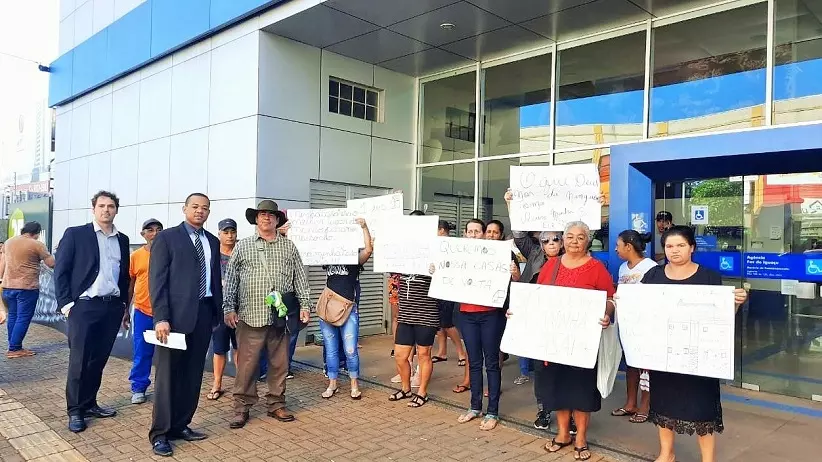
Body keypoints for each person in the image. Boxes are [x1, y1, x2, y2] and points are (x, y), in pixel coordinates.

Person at [639, 226, 747, 462]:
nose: (674, 250)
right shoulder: (652, 276)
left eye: (680, 245)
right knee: (663, 404)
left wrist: (735, 304)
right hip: (664, 354)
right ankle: (667, 454)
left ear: (692, 248)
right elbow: (642, 311)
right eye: (669, 246)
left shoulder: (708, 277)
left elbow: (720, 318)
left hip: (699, 356)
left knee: (702, 408)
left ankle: (708, 459)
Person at [528, 221, 615, 461]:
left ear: (587, 241)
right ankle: (563, 434)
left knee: (581, 389)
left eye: (580, 237)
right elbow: (537, 297)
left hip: (583, 342)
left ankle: (581, 438)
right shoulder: (551, 265)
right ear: (563, 240)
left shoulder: (596, 268)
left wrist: (607, 314)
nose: (574, 241)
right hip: (554, 341)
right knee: (557, 387)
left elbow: (610, 298)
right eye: (569, 236)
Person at [223, 200, 311, 429]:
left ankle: (276, 404)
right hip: (250, 315)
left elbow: (300, 279)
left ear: (277, 220)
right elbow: (231, 280)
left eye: (271, 215)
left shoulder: (289, 247)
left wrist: (305, 305)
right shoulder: (243, 246)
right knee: (247, 366)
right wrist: (228, 308)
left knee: (280, 364)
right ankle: (241, 408)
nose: (266, 218)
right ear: (256, 219)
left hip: (281, 317)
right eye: (262, 214)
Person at [148, 193, 223, 457]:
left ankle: (181, 424)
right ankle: (160, 433)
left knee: (192, 375)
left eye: (205, 208)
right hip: (174, 319)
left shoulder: (212, 241)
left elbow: (214, 279)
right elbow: (157, 281)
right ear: (184, 209)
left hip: (204, 314)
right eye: (195, 206)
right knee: (168, 376)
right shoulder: (167, 238)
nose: (200, 211)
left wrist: (217, 314)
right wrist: (161, 317)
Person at [55, 191, 130, 434]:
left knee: (98, 359)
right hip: (84, 307)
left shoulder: (123, 240)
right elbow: (61, 271)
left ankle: (89, 403)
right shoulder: (76, 234)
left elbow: (123, 275)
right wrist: (67, 305)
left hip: (111, 307)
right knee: (80, 360)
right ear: (93, 209)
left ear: (116, 209)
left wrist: (123, 306)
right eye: (102, 205)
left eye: (111, 206)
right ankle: (75, 410)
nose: (106, 210)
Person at [452, 219, 514, 431]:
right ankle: (475, 406)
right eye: (469, 231)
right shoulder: (459, 254)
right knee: (474, 362)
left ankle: (493, 411)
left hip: (491, 314)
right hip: (467, 314)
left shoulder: (499, 254)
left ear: (483, 233)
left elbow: (513, 280)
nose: (473, 235)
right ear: (465, 234)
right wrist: (436, 270)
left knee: (492, 363)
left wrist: (513, 272)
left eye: (477, 231)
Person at [319, 218, 373, 399]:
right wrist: (289, 232)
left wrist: (364, 227)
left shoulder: (354, 258)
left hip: (348, 309)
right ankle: (332, 383)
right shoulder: (327, 256)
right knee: (331, 349)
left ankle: (354, 384)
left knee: (350, 350)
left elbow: (368, 250)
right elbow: (307, 249)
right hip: (328, 309)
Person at [388, 210, 437, 408]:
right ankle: (406, 389)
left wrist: (436, 269)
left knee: (424, 355)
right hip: (406, 314)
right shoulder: (401, 250)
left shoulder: (434, 250)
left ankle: (422, 392)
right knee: (400, 355)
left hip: (426, 313)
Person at [610, 230, 656, 423]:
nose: (616, 249)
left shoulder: (651, 267)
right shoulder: (622, 268)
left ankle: (646, 405)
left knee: (645, 366)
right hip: (626, 324)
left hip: (645, 324)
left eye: (618, 245)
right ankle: (630, 403)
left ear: (628, 246)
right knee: (631, 363)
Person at [1, 221, 55, 358]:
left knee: (13, 316)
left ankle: (13, 346)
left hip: (7, 286)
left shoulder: (9, 242)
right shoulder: (37, 244)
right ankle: (14, 349)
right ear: (36, 233)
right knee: (23, 318)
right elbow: (51, 263)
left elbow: (2, 263)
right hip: (27, 287)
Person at [127, 218, 164, 405]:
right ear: (143, 234)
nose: (154, 233)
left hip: (165, 313)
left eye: (158, 229)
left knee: (167, 354)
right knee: (142, 352)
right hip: (142, 311)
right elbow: (130, 284)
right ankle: (138, 387)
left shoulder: (169, 253)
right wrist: (126, 309)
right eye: (150, 230)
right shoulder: (136, 256)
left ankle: (166, 388)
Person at [432, 220, 467, 367]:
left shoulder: (452, 245)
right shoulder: (434, 244)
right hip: (436, 285)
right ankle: (442, 352)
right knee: (439, 323)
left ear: (441, 230)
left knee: (447, 322)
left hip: (448, 287)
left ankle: (461, 353)